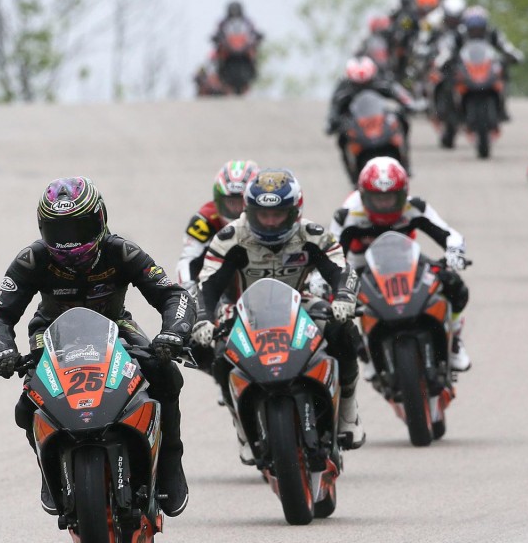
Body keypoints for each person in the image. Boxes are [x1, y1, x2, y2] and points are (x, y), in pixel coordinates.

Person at [0, 177, 196, 517]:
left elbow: (172, 294)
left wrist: (173, 333)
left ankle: (170, 462)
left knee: (165, 375)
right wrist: (1, 350)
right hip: (50, 335)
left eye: (79, 227)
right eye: (58, 231)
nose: (69, 242)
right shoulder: (31, 259)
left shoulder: (122, 251)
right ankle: (49, 469)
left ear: (100, 219)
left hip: (116, 327)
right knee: (26, 405)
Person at [193, 169, 365, 457]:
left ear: (294, 212)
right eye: (263, 214)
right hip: (248, 311)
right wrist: (202, 320)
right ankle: (242, 426)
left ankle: (347, 410)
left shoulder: (314, 235)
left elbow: (342, 271)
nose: (270, 222)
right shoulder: (229, 238)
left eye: (278, 214)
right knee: (220, 352)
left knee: (343, 330)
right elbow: (206, 286)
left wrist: (345, 298)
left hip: (302, 305)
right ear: (249, 210)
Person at [331, 156, 471, 373]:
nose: (385, 206)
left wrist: (454, 253)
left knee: (453, 284)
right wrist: (328, 282)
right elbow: (332, 255)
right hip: (362, 267)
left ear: (404, 193)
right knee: (335, 304)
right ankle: (363, 352)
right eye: (378, 199)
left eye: (391, 199)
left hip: (407, 261)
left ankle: (454, 341)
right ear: (363, 194)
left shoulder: (415, 207)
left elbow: (450, 235)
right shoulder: (348, 214)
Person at [325, 56, 419, 174]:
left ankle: (405, 162)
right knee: (342, 136)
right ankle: (352, 172)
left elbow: (399, 93)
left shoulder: (382, 80)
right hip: (358, 125)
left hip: (380, 123)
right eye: (357, 85)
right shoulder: (343, 87)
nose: (362, 86)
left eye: (367, 83)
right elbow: (334, 108)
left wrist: (410, 104)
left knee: (402, 120)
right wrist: (331, 122)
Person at [176, 159, 261, 287]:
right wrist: (187, 289)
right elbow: (188, 260)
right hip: (217, 288)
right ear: (218, 201)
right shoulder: (204, 222)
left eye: (242, 202)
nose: (238, 210)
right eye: (232, 203)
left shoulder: (271, 220)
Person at [451, 6, 523, 120]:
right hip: (467, 68)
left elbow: (506, 46)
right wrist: (444, 60)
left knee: (503, 69)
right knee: (449, 75)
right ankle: (454, 109)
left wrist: (514, 55)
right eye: (473, 29)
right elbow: (449, 50)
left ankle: (502, 106)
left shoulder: (493, 33)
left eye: (479, 28)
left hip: (487, 67)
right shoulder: (460, 35)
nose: (476, 31)